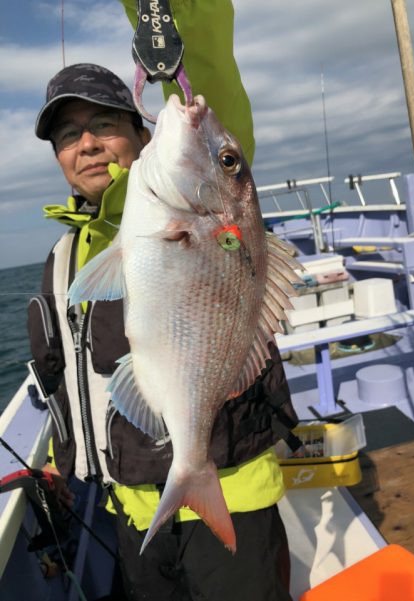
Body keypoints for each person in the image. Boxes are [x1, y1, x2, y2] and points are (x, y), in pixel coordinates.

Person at [28, 1, 298, 600]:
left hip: (230, 490)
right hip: (131, 505)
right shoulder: (64, 259)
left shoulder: (200, 197)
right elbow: (62, 375)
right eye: (70, 135)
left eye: (105, 124)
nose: (89, 144)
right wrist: (58, 458)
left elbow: (206, 69)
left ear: (142, 131)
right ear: (58, 159)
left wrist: (165, 16)